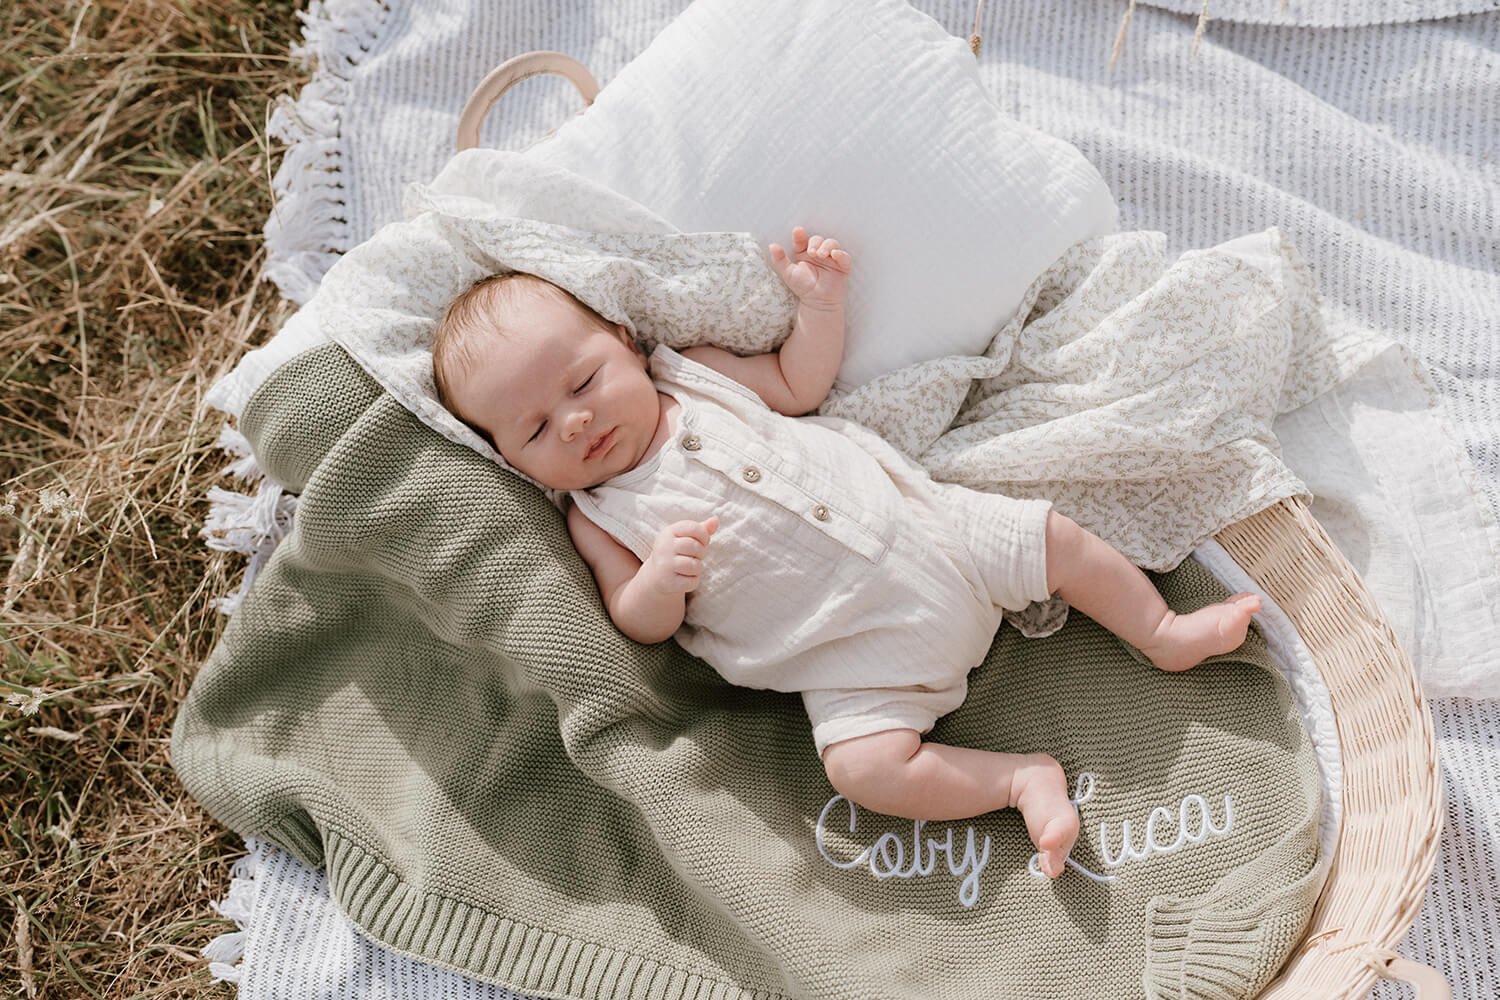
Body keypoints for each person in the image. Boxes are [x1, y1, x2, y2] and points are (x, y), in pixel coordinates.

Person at [431, 227, 1262, 878]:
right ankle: (1016, 781)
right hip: (850, 662)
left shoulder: (698, 379)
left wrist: (817, 307)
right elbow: (634, 621)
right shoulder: (598, 515)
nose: (574, 421)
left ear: (623, 339)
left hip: (936, 538)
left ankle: (1161, 632)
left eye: (580, 383)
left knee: (1053, 537)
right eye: (537, 428)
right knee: (860, 770)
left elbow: (799, 384)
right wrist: (657, 584)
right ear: (511, 461)